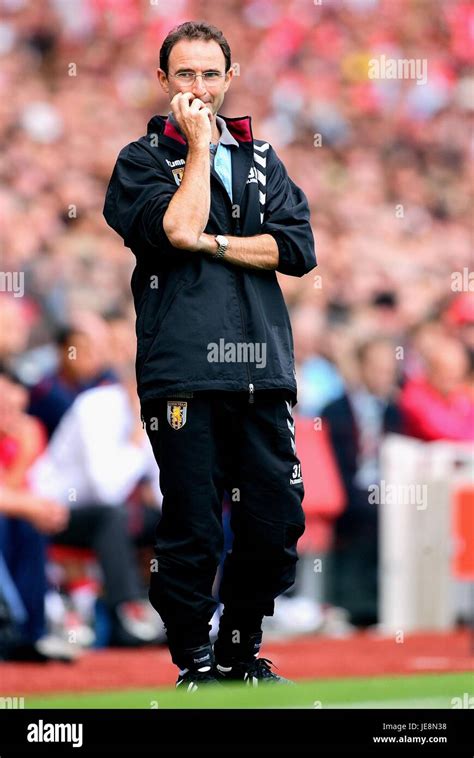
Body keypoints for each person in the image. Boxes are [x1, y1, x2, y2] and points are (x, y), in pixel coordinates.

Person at [103, 21, 316, 690]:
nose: (198, 87)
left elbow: (296, 250)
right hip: (182, 373)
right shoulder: (139, 160)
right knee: (192, 526)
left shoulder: (264, 160)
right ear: (163, 80)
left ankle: (239, 649)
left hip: (263, 369)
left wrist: (216, 244)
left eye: (209, 74)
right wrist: (199, 149)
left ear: (232, 77)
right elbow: (174, 228)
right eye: (184, 75)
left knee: (276, 520)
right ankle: (194, 660)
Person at [322, 337, 402, 626]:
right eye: (378, 369)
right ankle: (353, 604)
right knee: (366, 512)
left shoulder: (393, 411)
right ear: (361, 368)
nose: (384, 377)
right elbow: (333, 463)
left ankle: (384, 603)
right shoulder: (335, 410)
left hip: (386, 490)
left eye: (389, 370)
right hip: (348, 491)